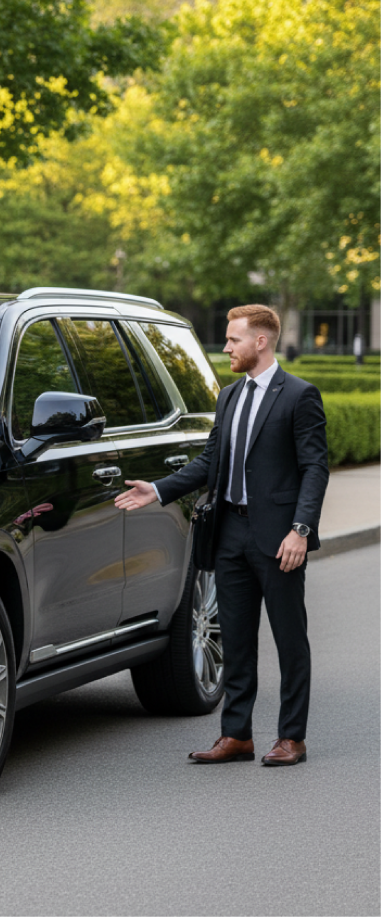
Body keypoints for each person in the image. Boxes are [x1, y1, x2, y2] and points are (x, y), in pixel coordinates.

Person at [114, 305, 329, 766]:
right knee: (235, 638)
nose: (226, 347)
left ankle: (292, 737)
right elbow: (211, 462)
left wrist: (300, 530)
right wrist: (158, 489)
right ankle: (236, 735)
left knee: (290, 640)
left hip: (279, 538)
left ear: (260, 341)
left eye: (234, 339)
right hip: (230, 533)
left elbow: (315, 468)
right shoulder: (228, 396)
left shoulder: (299, 395)